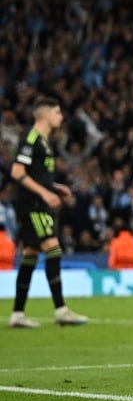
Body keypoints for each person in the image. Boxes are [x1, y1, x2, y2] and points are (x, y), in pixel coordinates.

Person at [7, 96, 88, 329]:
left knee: (31, 255)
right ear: (45, 115)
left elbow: (34, 174)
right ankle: (61, 309)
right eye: (58, 112)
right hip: (33, 206)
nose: (61, 117)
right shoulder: (31, 138)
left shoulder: (43, 141)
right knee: (53, 248)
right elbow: (17, 171)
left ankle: (18, 313)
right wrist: (44, 194)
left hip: (34, 204)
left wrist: (54, 187)